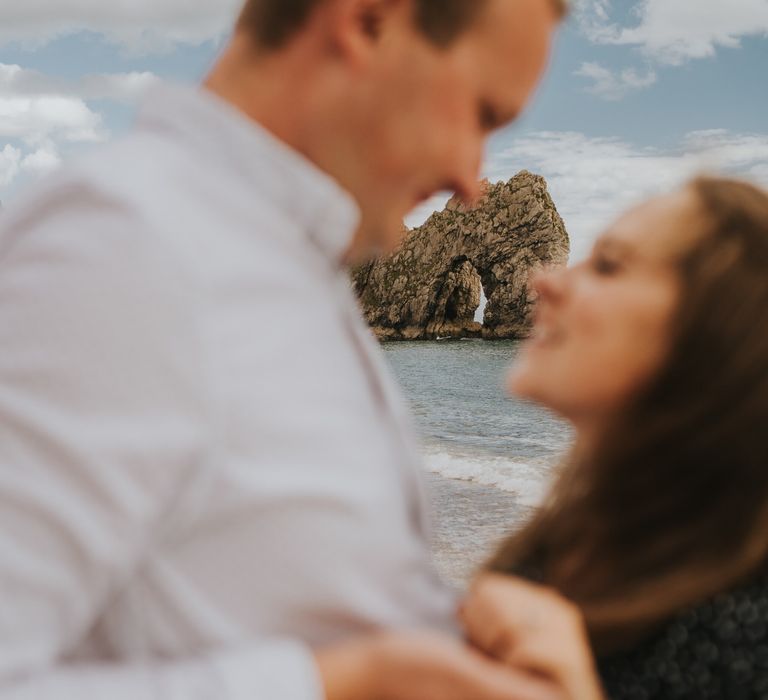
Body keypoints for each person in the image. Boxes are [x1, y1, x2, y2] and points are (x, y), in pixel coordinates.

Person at [0, 0, 567, 699]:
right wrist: (350, 684)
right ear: (367, 22)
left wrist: (451, 629)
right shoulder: (126, 248)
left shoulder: (278, 266)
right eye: (480, 113)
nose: (469, 177)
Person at [459, 176, 768, 699]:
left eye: (608, 265)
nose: (544, 282)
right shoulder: (565, 544)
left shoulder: (748, 628)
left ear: (712, 334)